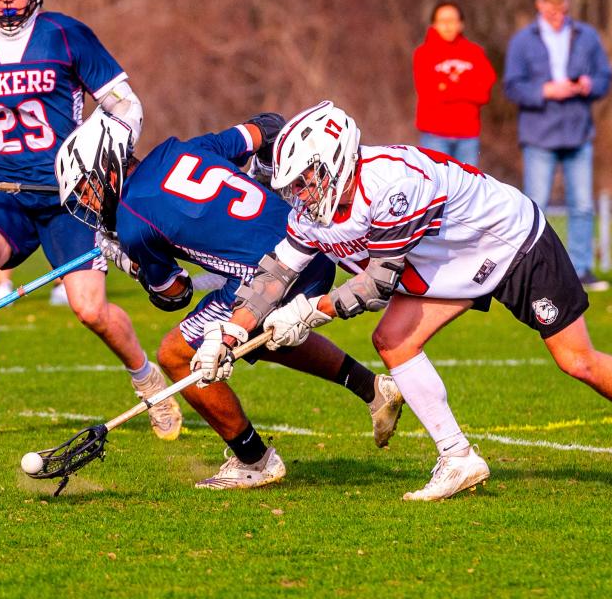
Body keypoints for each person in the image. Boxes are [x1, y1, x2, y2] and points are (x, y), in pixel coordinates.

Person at [195, 100, 612, 500]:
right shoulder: (314, 212)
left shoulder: (393, 184)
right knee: (392, 340)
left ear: (337, 160)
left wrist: (311, 311)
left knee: (577, 361)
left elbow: (378, 283)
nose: (302, 196)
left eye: (306, 180)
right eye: (295, 187)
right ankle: (457, 456)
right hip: (445, 263)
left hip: (509, 243)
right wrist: (232, 331)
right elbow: (276, 272)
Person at [55, 108, 405, 489]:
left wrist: (131, 261)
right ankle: (371, 388)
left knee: (177, 354)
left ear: (109, 167)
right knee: (259, 338)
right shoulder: (184, 149)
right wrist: (262, 174)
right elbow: (269, 126)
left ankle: (254, 460)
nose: (88, 202)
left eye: (87, 188)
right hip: (309, 248)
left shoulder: (133, 222)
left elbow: (175, 294)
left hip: (267, 275)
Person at [0, 0, 183, 441]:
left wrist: (106, 149)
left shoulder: (65, 34)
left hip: (66, 195)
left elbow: (125, 105)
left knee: (90, 309)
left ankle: (147, 380)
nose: (9, 2)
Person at [503, 0, 612, 292]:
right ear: (540, 5)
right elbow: (512, 86)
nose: (558, 16)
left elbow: (605, 76)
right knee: (536, 207)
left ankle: (580, 270)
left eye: (563, 10)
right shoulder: (523, 41)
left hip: (578, 132)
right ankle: (531, 271)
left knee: (581, 204)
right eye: (552, 10)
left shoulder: (587, 37)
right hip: (539, 133)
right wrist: (545, 90)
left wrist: (589, 85)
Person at [412, 1, 496, 166]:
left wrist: (447, 87)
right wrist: (467, 87)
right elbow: (429, 92)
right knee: (438, 187)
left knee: (468, 188)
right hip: (435, 135)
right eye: (443, 21)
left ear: (461, 24)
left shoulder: (475, 52)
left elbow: (484, 93)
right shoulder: (423, 54)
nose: (448, 25)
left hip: (468, 136)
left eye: (452, 20)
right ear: (434, 24)